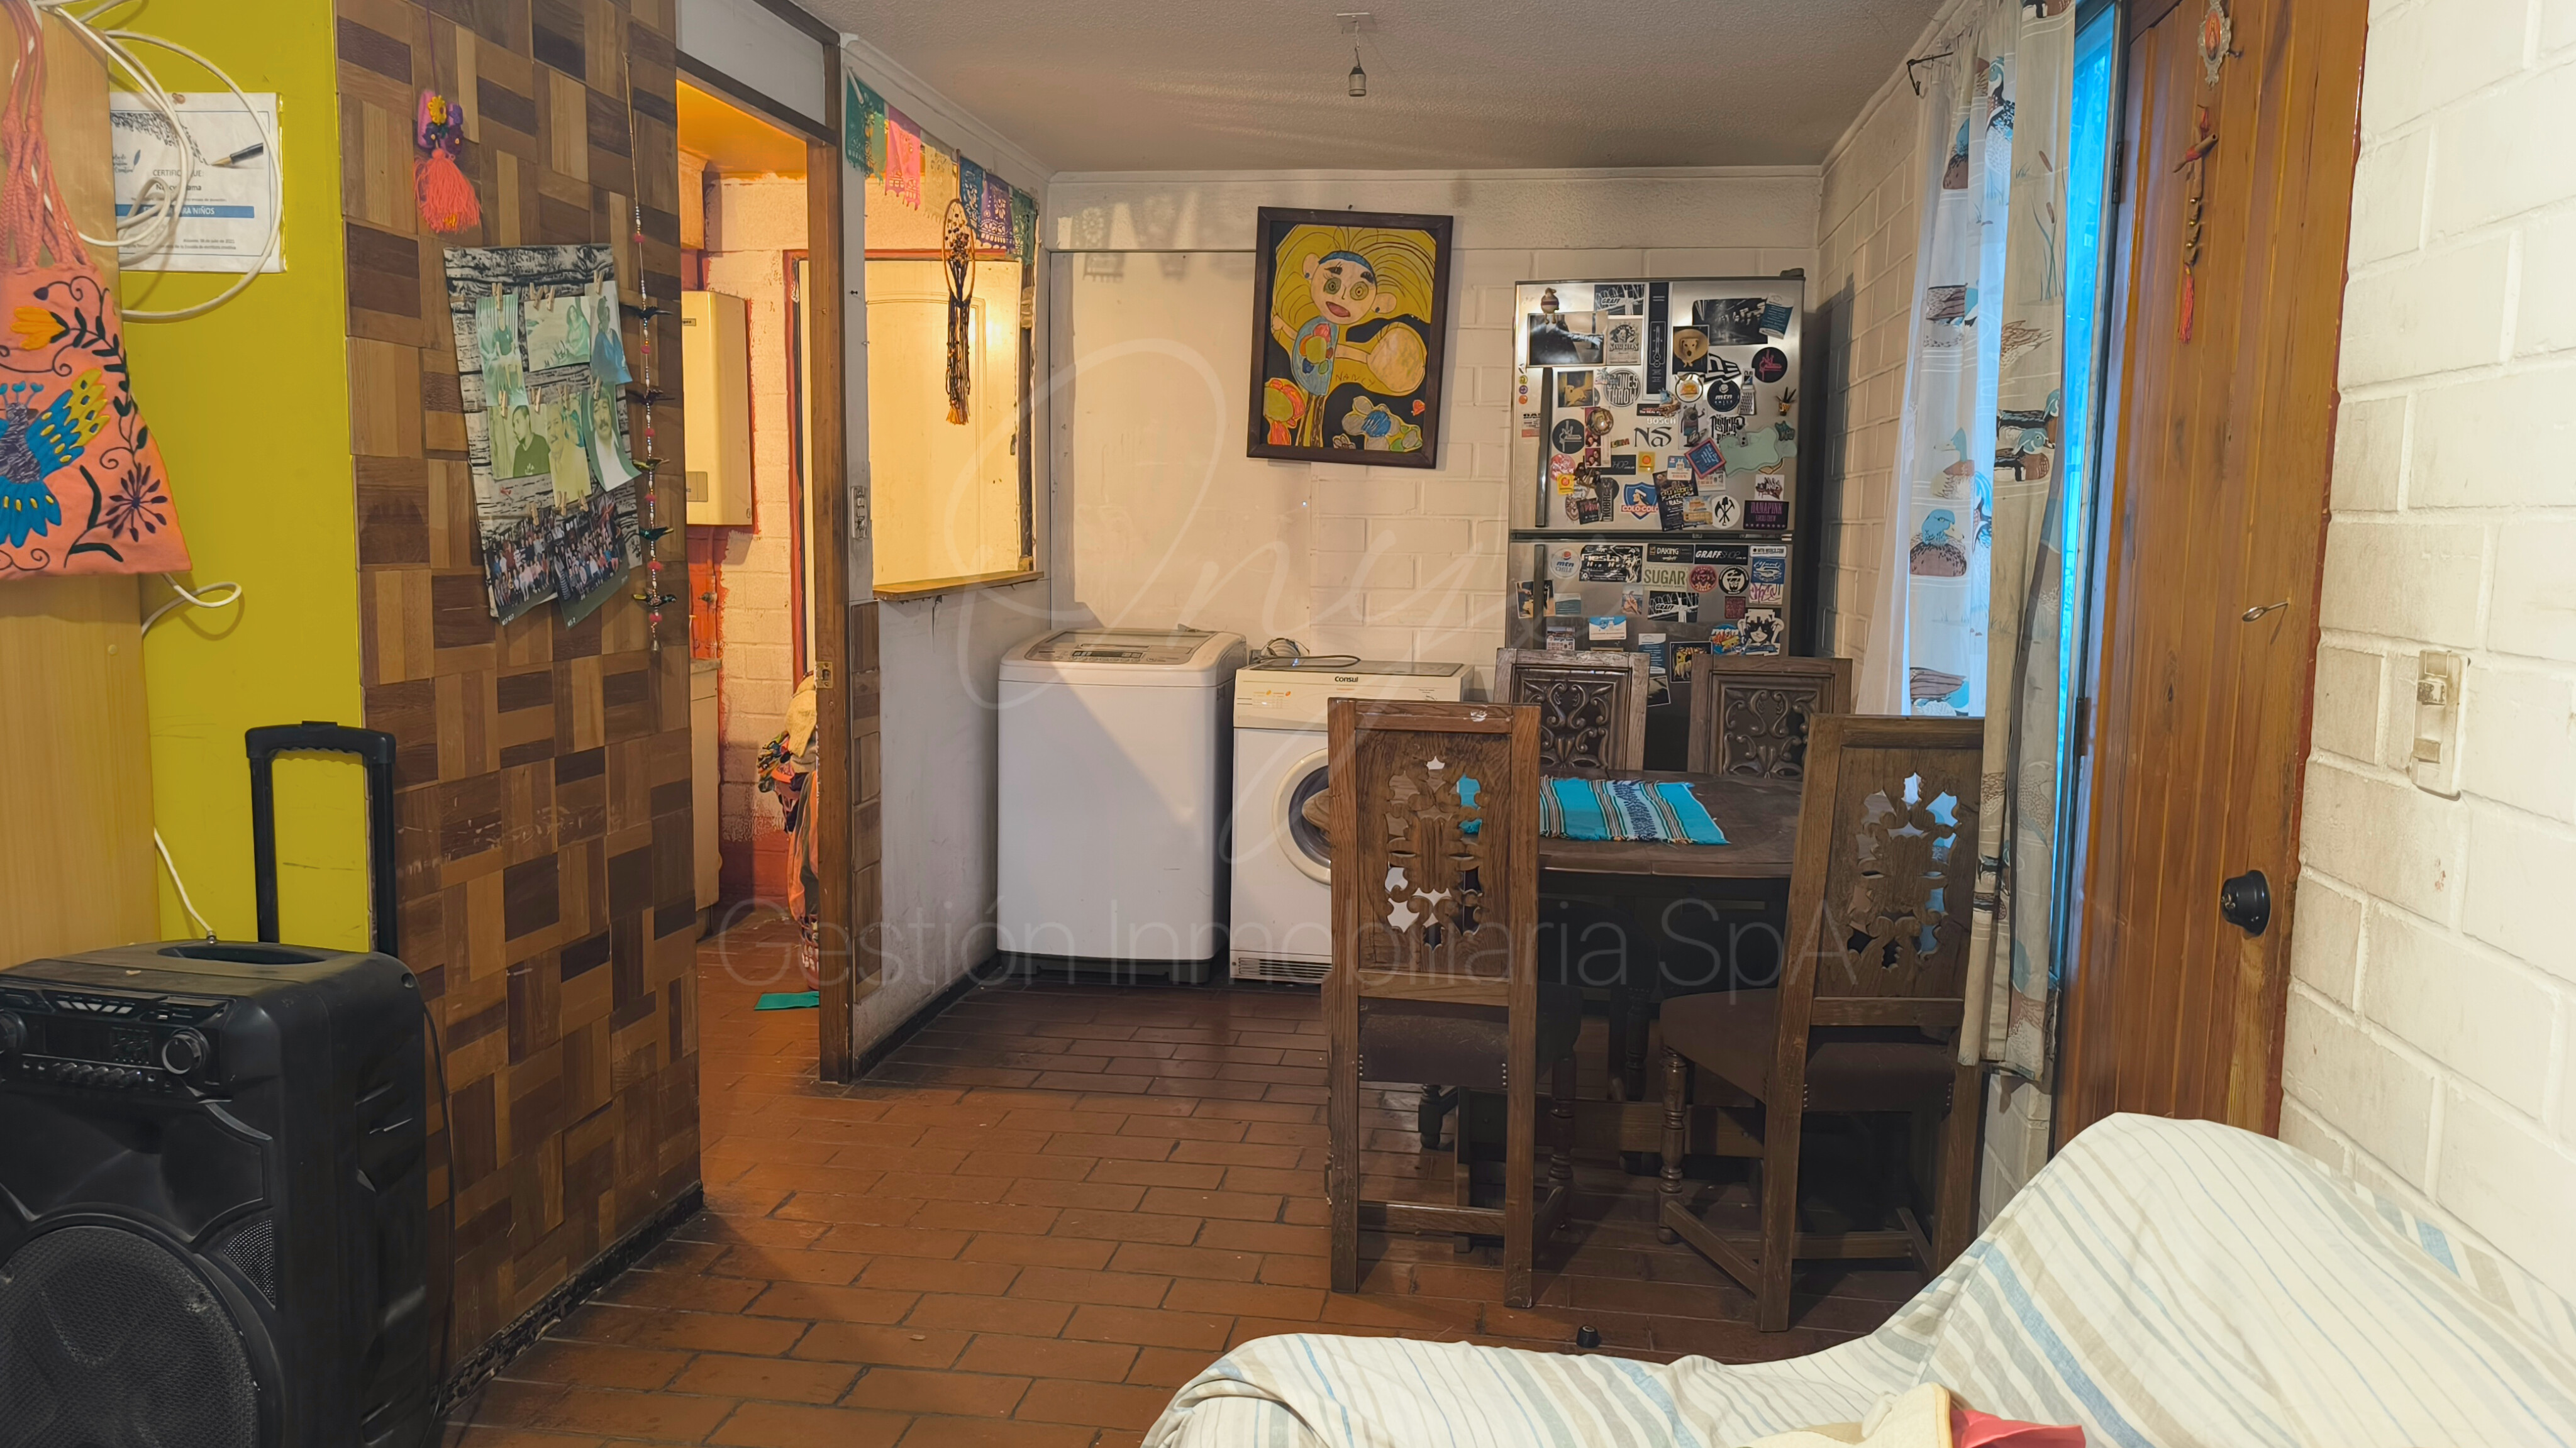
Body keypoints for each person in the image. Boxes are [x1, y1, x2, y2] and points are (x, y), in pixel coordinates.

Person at [1267, 226, 1436, 448]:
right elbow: (1299, 341)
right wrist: (1283, 327)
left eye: (1359, 292)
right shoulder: (1313, 326)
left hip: (1323, 382)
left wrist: (1370, 359)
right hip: (1310, 376)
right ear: (1310, 271)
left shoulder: (1336, 337)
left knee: (1315, 415)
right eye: (1333, 285)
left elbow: (1343, 353)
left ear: (1380, 304)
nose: (1342, 297)